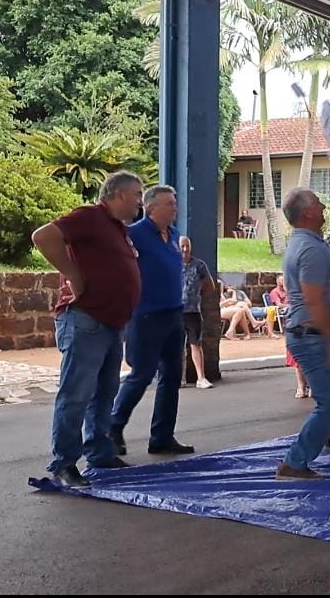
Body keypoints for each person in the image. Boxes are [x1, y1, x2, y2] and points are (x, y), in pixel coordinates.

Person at [31, 171, 143, 488]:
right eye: (137, 194)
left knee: (104, 393)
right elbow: (43, 236)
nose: (140, 201)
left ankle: (99, 452)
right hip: (86, 319)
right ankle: (65, 463)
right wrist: (72, 274)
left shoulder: (117, 228)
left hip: (110, 323)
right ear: (119, 194)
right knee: (76, 394)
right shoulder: (90, 217)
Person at [276, 188, 330, 479]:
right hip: (313, 336)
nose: (324, 207)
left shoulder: (309, 243)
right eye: (317, 204)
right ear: (307, 213)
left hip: (316, 334)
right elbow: (314, 300)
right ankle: (294, 462)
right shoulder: (310, 250)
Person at [109, 185, 195, 458]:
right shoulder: (134, 234)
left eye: (174, 203)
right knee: (142, 374)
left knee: (171, 376)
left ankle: (162, 436)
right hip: (146, 315)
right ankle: (113, 427)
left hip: (173, 314)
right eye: (169, 204)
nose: (175, 208)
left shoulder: (175, 236)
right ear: (151, 207)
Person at [180, 236, 215, 390]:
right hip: (176, 311)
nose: (185, 249)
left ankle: (201, 377)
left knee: (195, 344)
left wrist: (197, 295)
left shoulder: (199, 265)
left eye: (187, 246)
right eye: (182, 246)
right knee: (178, 346)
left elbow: (209, 285)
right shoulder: (173, 264)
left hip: (193, 310)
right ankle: (180, 378)